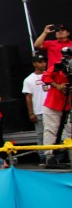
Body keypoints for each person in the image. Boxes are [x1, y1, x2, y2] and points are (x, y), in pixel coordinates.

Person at [34, 24, 72, 167]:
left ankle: (67, 154)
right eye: (58, 30)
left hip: (67, 99)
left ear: (68, 33)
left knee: (69, 130)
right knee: (51, 128)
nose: (59, 32)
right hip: (55, 95)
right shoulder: (55, 61)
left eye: (63, 30)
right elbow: (37, 45)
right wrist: (45, 32)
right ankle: (49, 156)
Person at [22, 54, 49, 161]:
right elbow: (28, 97)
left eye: (44, 61)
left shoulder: (50, 75)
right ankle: (43, 156)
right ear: (34, 64)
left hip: (52, 110)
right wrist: (31, 113)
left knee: (55, 133)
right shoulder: (29, 79)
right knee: (41, 134)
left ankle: (57, 155)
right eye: (40, 62)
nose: (43, 64)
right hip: (39, 111)